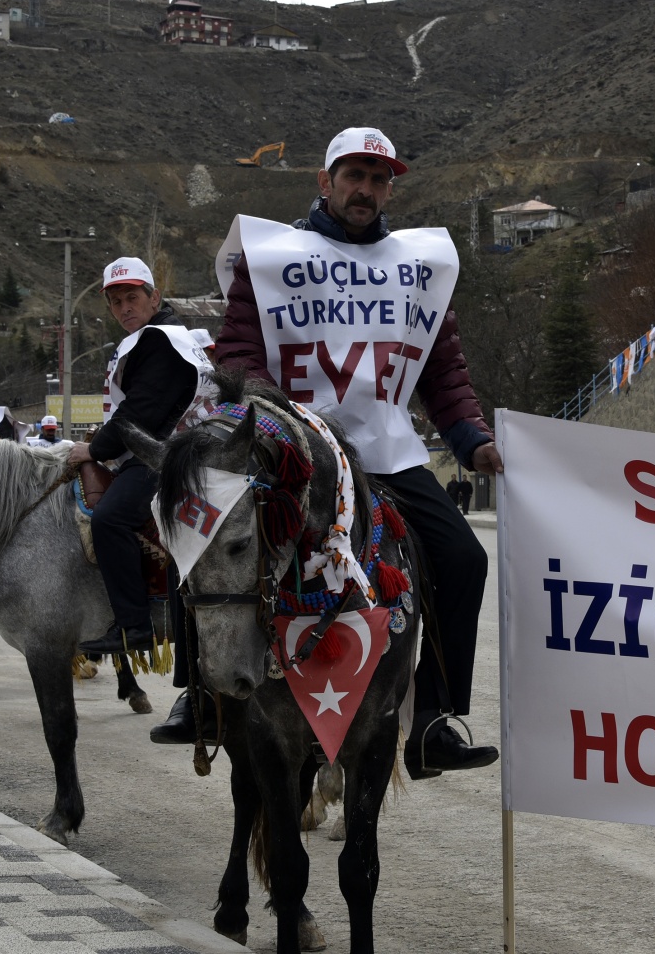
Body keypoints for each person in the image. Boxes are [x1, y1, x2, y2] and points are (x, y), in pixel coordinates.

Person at [214, 126, 503, 779]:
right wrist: (273, 417)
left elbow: (443, 373)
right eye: (354, 176)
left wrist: (473, 441)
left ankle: (433, 721)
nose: (366, 190)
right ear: (325, 182)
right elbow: (235, 355)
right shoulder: (270, 258)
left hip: (387, 454)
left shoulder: (417, 271)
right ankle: (201, 696)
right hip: (288, 450)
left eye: (378, 180)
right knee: (205, 540)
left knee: (463, 559)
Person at [70, 257, 217, 660]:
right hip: (180, 449)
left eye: (132, 298)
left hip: (163, 455)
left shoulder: (159, 341)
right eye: (116, 302)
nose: (124, 309)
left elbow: (139, 414)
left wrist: (94, 449)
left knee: (109, 518)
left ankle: (133, 624)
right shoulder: (173, 338)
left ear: (155, 297)